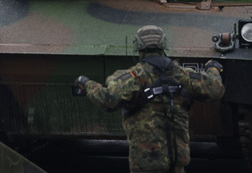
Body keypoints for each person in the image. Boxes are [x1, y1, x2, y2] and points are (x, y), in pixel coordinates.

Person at [73, 25, 225, 172]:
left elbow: (108, 100)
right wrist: (212, 69)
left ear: (137, 46)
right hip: (177, 159)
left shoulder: (133, 77)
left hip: (147, 161)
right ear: (164, 44)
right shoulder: (182, 74)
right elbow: (215, 90)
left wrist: (86, 83)